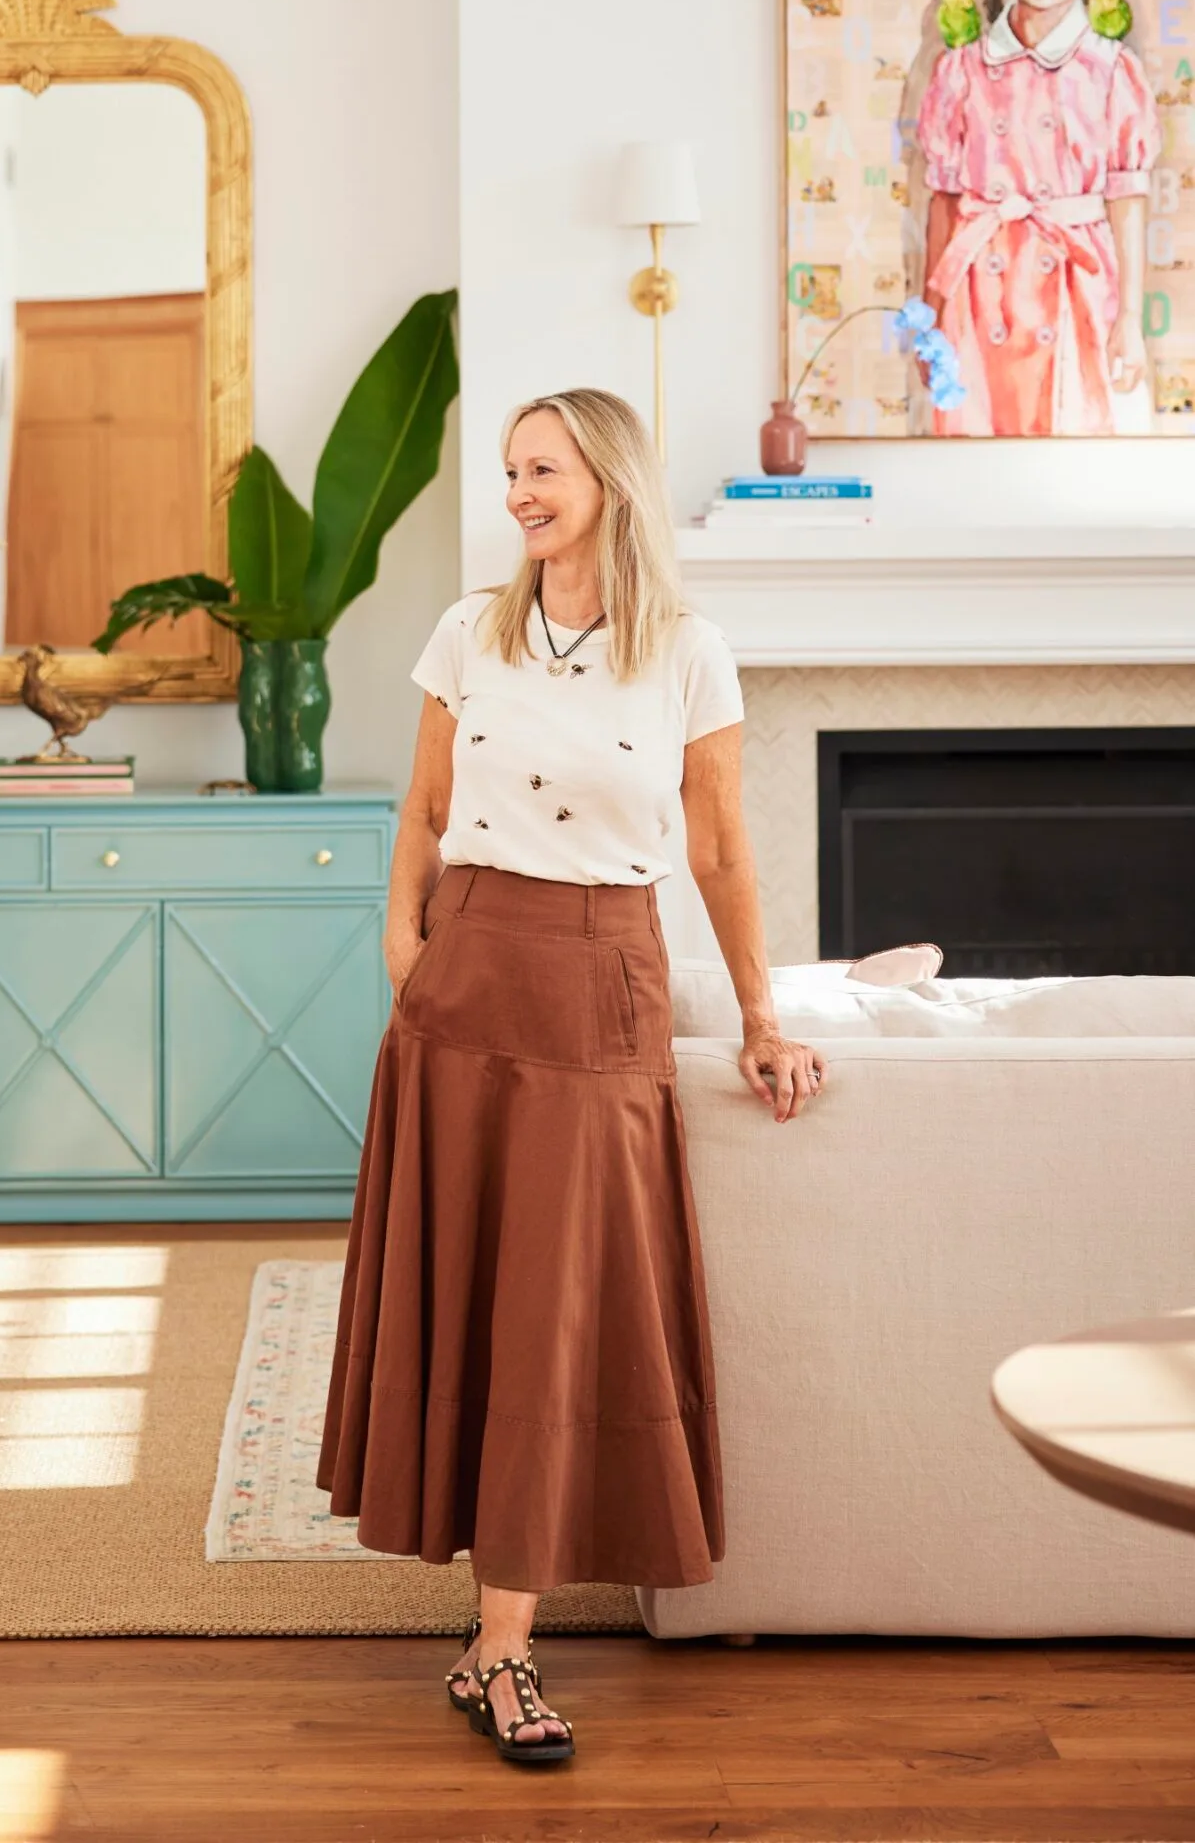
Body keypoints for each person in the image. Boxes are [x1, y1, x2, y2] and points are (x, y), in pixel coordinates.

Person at [315, 387, 826, 1769]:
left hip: (603, 984)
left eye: (538, 470)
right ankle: (498, 1647)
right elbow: (421, 812)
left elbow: (719, 854)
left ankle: (499, 1647)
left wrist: (760, 1016)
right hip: (466, 976)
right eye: (508, 472)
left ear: (605, 476)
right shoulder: (466, 631)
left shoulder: (687, 654)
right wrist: (404, 949)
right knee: (474, 1298)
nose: (518, 493)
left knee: (549, 1316)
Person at [916, 0, 1159, 436]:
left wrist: (1130, 317)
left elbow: (1127, 198)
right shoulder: (962, 69)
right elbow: (942, 201)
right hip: (981, 288)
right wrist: (932, 316)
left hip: (1079, 282)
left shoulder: (1111, 68)